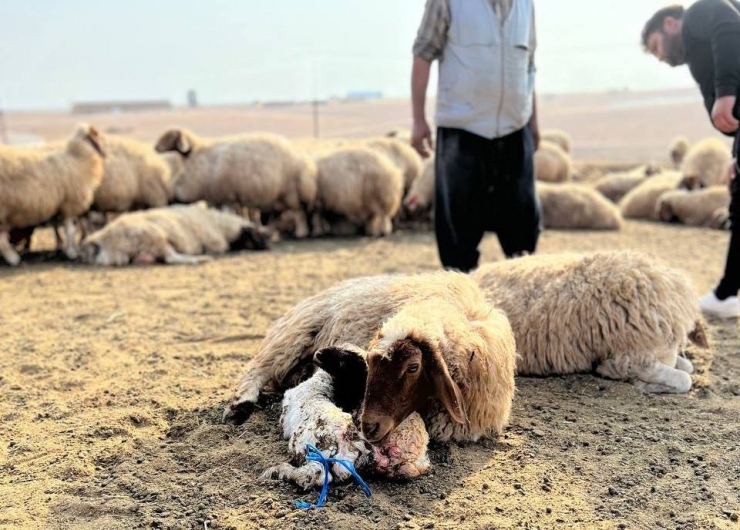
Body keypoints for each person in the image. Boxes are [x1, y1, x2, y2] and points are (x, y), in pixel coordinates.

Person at [411, 0, 541, 273]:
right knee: (458, 235)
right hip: (463, 131)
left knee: (523, 234)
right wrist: (418, 120)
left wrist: (533, 121)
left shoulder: (525, 5)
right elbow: (423, 54)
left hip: (514, 130)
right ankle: (461, 303)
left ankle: (522, 304)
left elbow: (528, 65)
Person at [643, 1, 740, 319]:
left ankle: (726, 293)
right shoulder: (702, 49)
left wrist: (724, 94)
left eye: (656, 46)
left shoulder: (699, 13)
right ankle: (726, 293)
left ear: (670, 24)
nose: (660, 57)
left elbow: (727, 22)